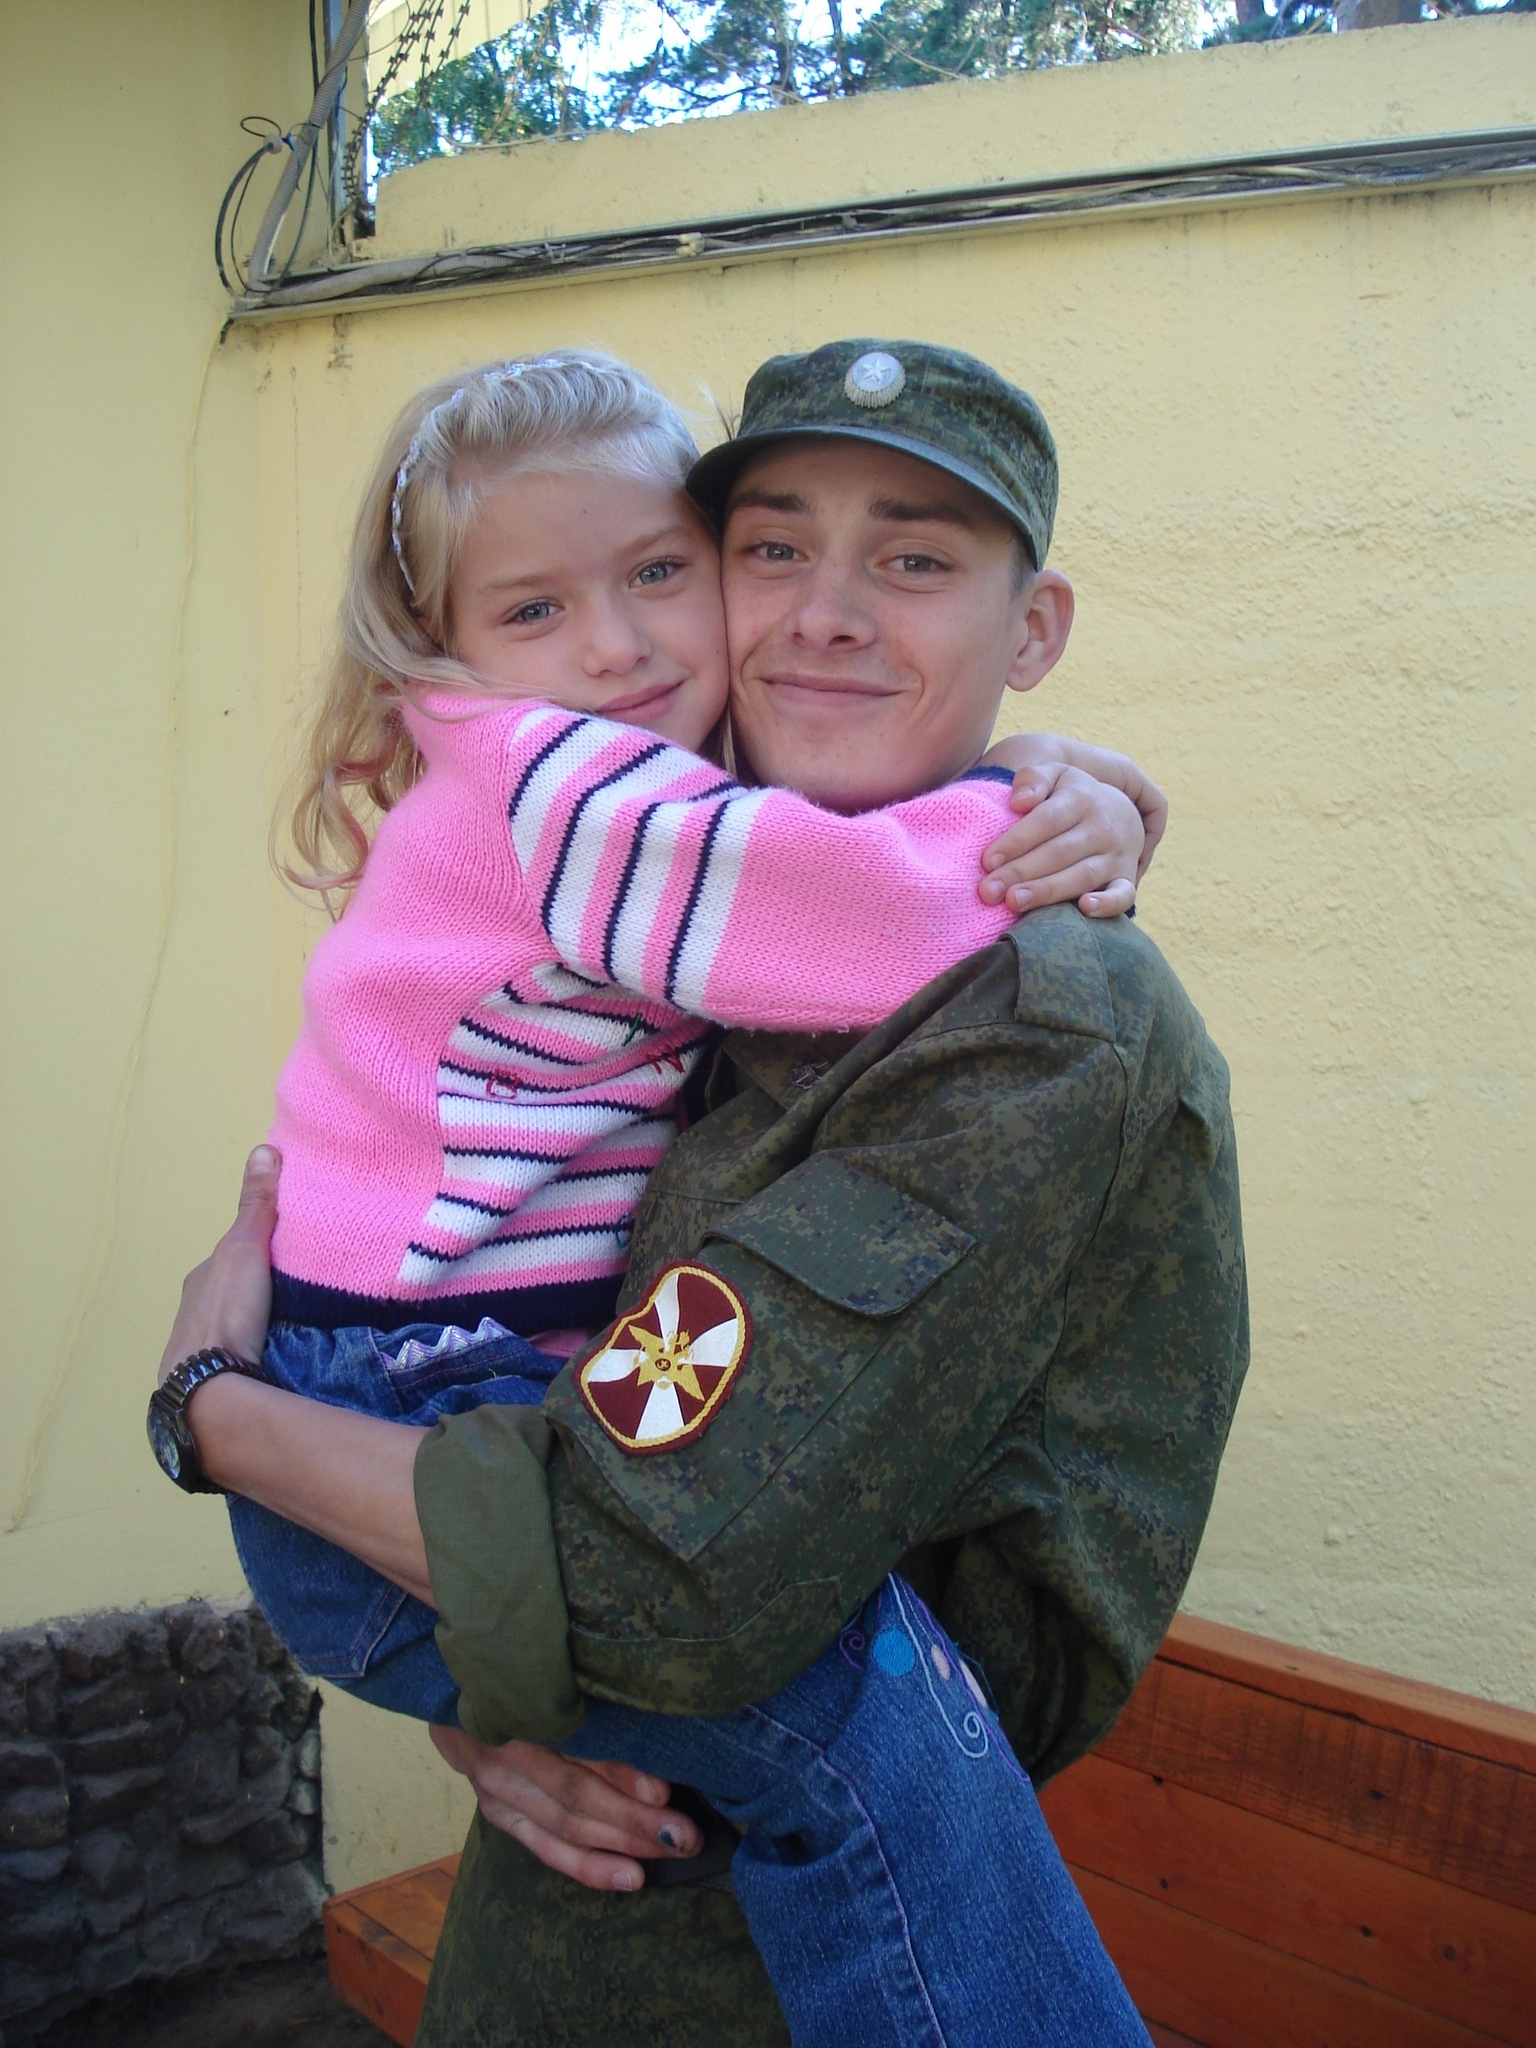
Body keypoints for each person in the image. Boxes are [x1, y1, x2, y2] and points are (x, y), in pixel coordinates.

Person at [156, 340, 1247, 2046]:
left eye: (913, 561)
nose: (819, 617)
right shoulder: (634, 837)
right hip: (502, 1686)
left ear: (1029, 629)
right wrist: (1033, 794)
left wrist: (215, 1411)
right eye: (769, 551)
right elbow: (836, 895)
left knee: (876, 1721)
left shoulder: (1029, 1015)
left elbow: (626, 1573)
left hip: (740, 1968)